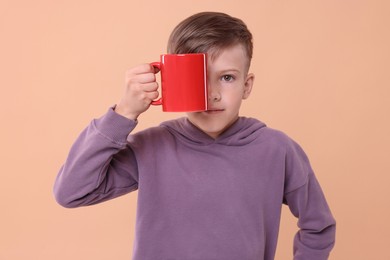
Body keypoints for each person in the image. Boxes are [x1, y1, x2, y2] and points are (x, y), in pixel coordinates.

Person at [54, 12, 336, 260]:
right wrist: (124, 113)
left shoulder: (278, 149)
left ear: (247, 85)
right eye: (198, 77)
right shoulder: (152, 146)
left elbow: (318, 226)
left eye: (227, 78)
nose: (212, 93)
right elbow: (71, 192)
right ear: (173, 81)